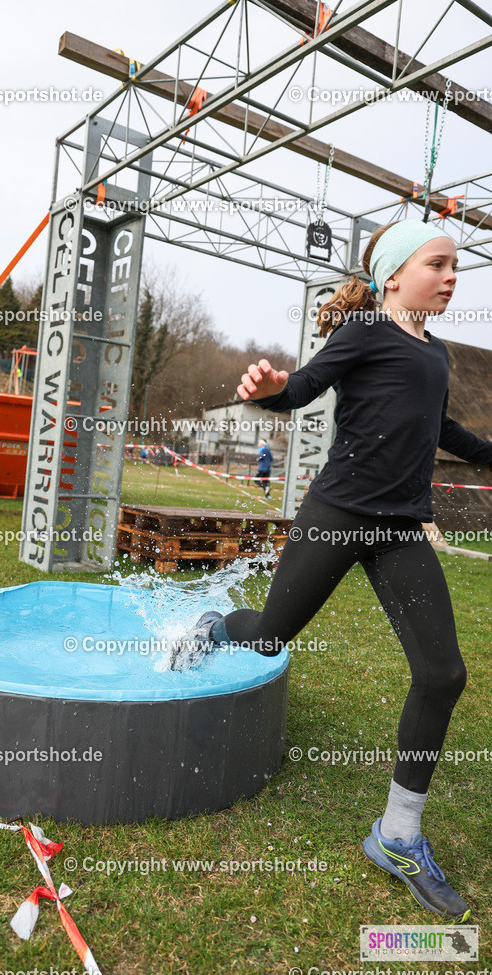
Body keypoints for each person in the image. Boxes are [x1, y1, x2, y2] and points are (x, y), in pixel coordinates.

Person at [177, 219, 492, 921]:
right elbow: (301, 390)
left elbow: (443, 430)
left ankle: (398, 835)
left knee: (443, 675)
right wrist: (266, 387)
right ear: (391, 275)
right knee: (266, 637)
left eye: (455, 269)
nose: (449, 278)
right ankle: (214, 624)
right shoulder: (364, 333)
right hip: (337, 516)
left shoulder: (434, 354)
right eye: (437, 264)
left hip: (397, 529)